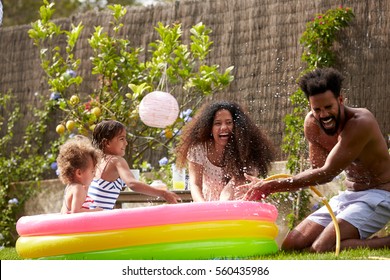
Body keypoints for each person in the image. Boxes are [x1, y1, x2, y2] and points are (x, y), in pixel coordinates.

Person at [244, 67, 390, 252]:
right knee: (291, 245)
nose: (323, 115)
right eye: (317, 109)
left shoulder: (360, 123)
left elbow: (326, 174)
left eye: (328, 107)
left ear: (340, 100)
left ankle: (385, 242)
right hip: (349, 195)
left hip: (379, 196)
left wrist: (273, 186)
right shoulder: (312, 124)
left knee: (322, 248)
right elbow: (317, 169)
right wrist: (268, 183)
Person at [175, 100, 275, 201]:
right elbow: (195, 185)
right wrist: (204, 207)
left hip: (238, 206)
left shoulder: (247, 148)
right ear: (209, 128)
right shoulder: (198, 149)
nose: (224, 127)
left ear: (237, 126)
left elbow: (230, 191)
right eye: (217, 123)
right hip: (207, 205)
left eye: (229, 123)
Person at [88, 120, 181, 210]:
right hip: (99, 219)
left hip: (89, 215)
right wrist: (163, 193)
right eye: (121, 139)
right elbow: (132, 184)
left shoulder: (97, 162)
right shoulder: (116, 161)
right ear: (107, 143)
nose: (126, 143)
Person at [57, 136, 103, 214]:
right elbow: (76, 213)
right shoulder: (78, 189)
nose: (94, 175)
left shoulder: (70, 187)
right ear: (79, 173)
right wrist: (95, 211)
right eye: (92, 171)